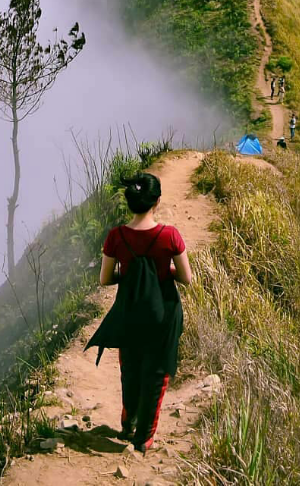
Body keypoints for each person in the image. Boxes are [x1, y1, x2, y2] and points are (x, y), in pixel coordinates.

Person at [88, 173, 192, 454]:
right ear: (157, 201)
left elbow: (105, 280)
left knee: (130, 367)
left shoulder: (116, 237)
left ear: (129, 202)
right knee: (157, 373)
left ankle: (128, 420)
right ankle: (144, 438)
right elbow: (186, 278)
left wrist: (130, 272)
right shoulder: (170, 236)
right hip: (164, 313)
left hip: (130, 311)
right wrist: (162, 271)